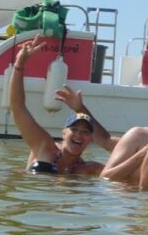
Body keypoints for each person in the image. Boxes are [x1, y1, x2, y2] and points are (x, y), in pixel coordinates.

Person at [10, 36, 107, 175]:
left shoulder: (88, 168)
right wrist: (20, 63)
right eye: (74, 130)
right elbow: (17, 106)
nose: (79, 135)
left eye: (85, 132)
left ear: (91, 139)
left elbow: (121, 170)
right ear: (63, 133)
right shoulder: (45, 146)